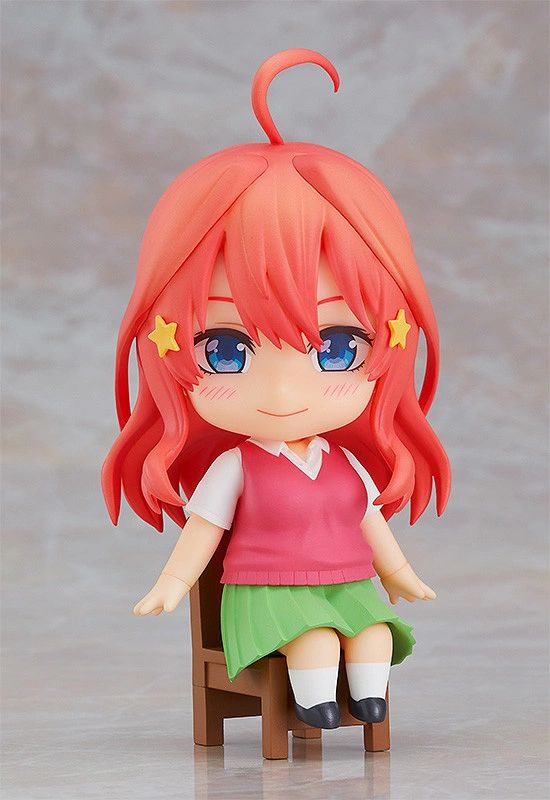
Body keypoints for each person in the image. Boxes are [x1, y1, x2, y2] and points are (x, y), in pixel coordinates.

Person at [102, 48, 451, 731]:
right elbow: (204, 530)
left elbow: (371, 523)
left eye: (337, 348)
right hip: (266, 595)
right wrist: (172, 583)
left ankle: (367, 698)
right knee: (314, 640)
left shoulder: (341, 462)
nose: (286, 390)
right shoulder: (237, 466)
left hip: (347, 584)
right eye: (225, 350)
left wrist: (399, 573)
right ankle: (317, 703)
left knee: (375, 634)